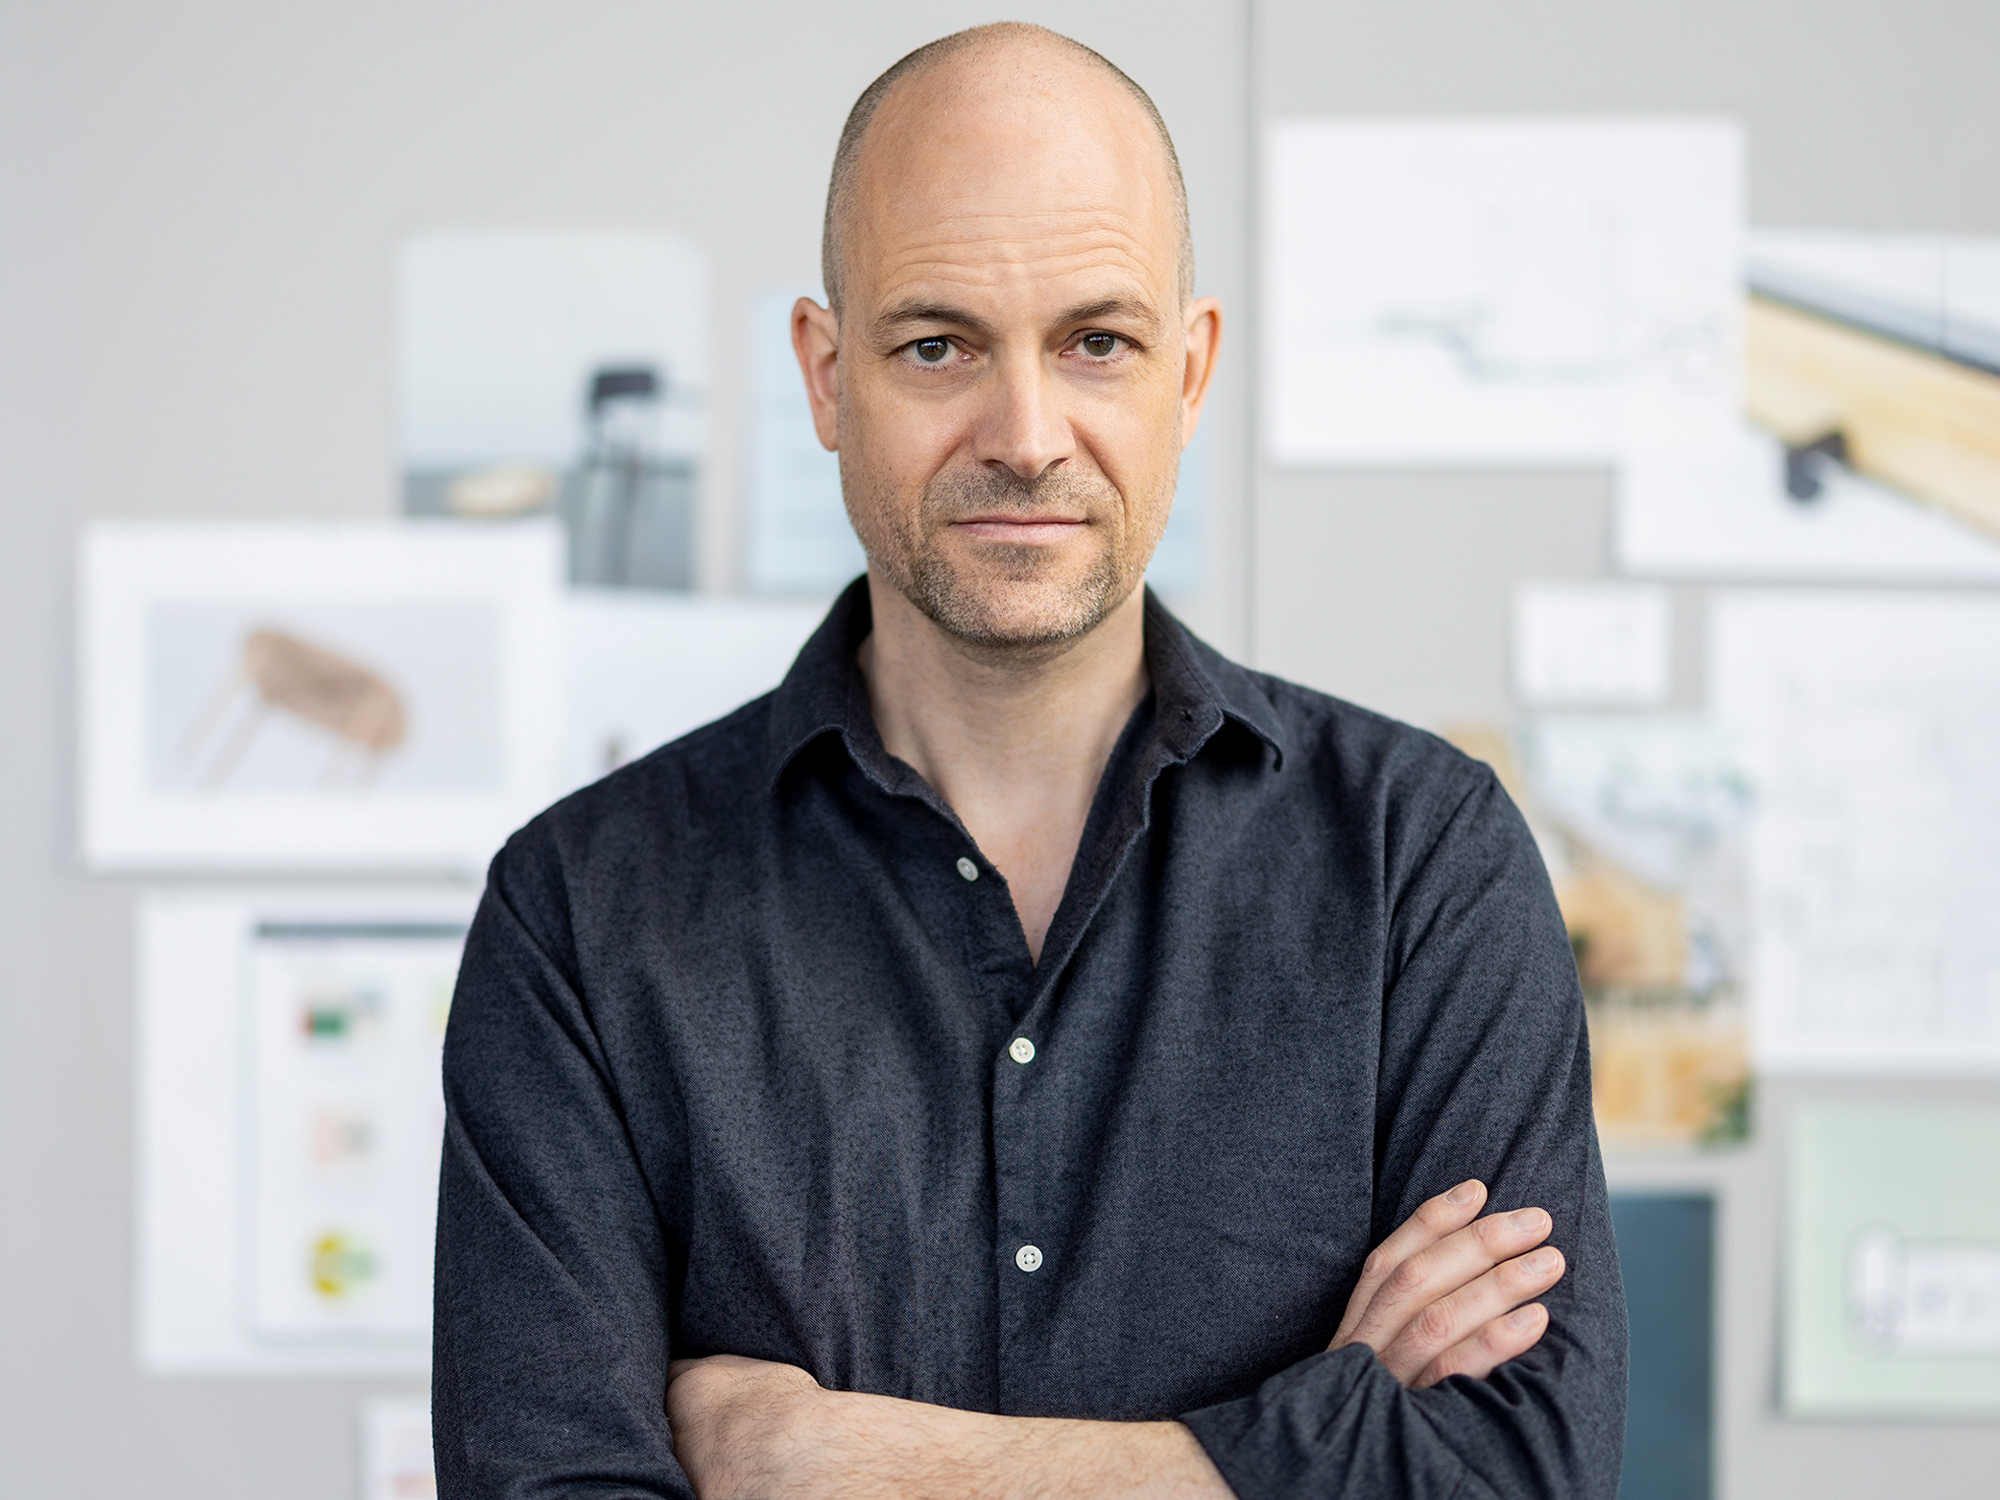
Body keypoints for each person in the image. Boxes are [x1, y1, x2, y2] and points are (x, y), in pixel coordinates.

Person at [432, 23, 1626, 1499]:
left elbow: (1513, 1473)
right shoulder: (582, 916)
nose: (1026, 434)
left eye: (1097, 343)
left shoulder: (1419, 865)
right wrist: (1309, 1444)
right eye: (938, 345)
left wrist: (836, 1459)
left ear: (1188, 375)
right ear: (823, 376)